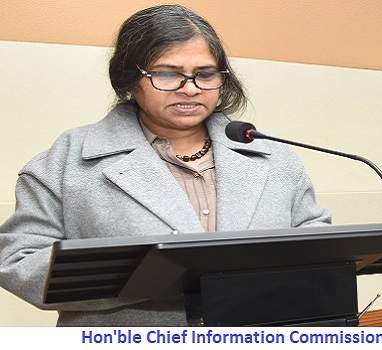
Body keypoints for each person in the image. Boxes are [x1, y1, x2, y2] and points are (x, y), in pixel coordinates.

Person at [0, 5, 331, 326]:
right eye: (167, 74)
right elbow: (18, 260)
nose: (190, 88)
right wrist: (142, 275)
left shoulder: (274, 156)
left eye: (205, 74)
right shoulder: (67, 161)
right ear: (129, 79)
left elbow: (317, 239)